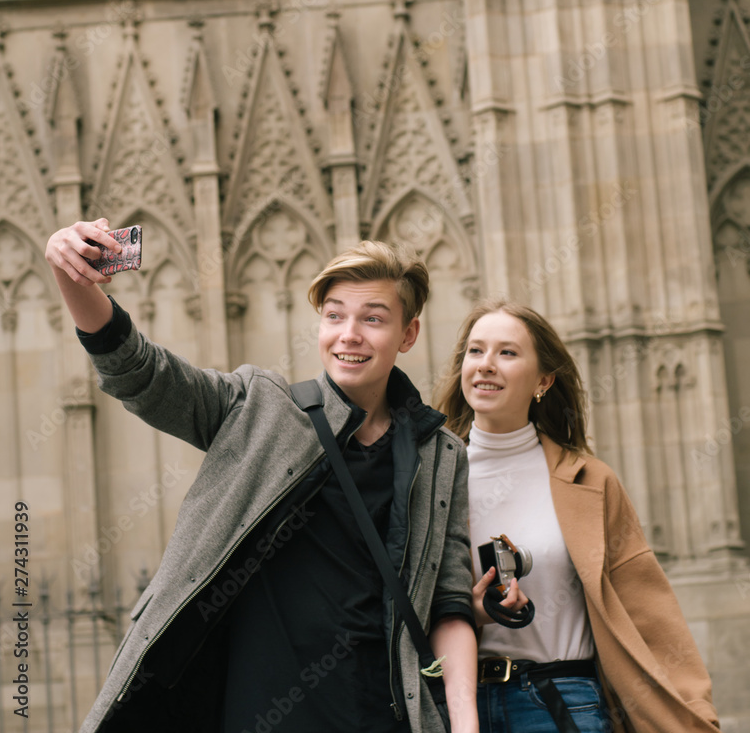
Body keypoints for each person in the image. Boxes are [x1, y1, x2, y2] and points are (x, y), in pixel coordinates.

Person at [45, 218, 480, 733]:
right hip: (261, 711)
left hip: (379, 712)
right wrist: (72, 280)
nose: (349, 334)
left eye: (373, 318)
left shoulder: (441, 453)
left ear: (408, 334)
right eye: (334, 315)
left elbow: (450, 607)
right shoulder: (260, 407)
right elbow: (143, 374)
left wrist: (464, 721)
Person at [434, 299, 721, 733]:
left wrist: (693, 713)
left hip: (559, 703)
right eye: (475, 351)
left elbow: (648, 612)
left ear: (543, 380)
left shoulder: (589, 481)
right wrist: (471, 611)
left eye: (507, 353)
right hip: (454, 709)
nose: (486, 365)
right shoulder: (430, 479)